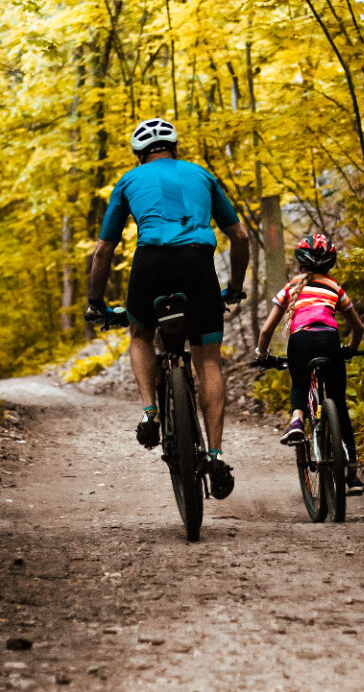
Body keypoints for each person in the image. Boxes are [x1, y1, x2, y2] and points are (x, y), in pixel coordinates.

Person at [85, 118, 249, 500]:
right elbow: (238, 236)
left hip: (151, 263)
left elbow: (103, 250)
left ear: (140, 156)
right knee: (207, 360)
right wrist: (235, 287)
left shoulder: (128, 181)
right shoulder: (202, 175)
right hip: (198, 264)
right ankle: (216, 454)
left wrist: (95, 302)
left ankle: (150, 412)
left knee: (140, 333)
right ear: (175, 148)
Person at [254, 231, 364, 494]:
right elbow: (358, 327)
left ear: (300, 262)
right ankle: (351, 475)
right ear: (330, 263)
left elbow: (266, 331)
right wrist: (350, 349)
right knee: (339, 404)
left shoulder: (291, 288)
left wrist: (262, 354)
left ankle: (296, 421)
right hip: (329, 341)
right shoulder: (334, 288)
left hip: (300, 344)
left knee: (300, 385)